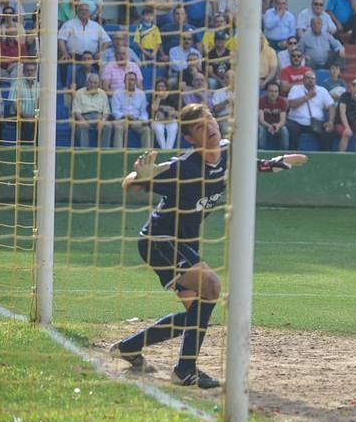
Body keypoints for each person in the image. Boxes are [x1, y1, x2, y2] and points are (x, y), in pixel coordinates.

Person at [109, 103, 306, 387]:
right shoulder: (183, 167)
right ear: (190, 138)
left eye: (210, 120)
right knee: (212, 287)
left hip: (184, 244)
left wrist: (272, 163)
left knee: (195, 314)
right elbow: (130, 185)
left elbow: (247, 164)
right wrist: (139, 175)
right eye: (200, 127)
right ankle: (185, 370)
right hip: (159, 241)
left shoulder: (227, 152)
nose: (210, 127)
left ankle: (129, 347)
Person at [285, 69, 336, 152]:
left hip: (316, 122)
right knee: (292, 129)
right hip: (297, 121)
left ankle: (324, 156)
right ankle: (293, 155)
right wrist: (307, 97)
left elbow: (331, 106)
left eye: (313, 78)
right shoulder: (295, 89)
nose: (311, 80)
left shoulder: (322, 90)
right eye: (308, 78)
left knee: (328, 132)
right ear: (303, 80)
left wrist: (330, 121)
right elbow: (292, 104)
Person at [110, 71, 152, 149]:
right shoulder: (117, 93)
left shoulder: (141, 93)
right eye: (128, 80)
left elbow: (143, 111)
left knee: (146, 129)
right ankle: (118, 152)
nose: (130, 82)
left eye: (132, 80)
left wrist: (143, 120)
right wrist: (125, 116)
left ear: (135, 81)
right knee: (118, 128)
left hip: (136, 120)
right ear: (124, 81)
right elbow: (115, 111)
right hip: (122, 119)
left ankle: (146, 153)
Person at [335, 78, 356, 152]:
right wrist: (347, 127)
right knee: (347, 133)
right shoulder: (345, 96)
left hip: (353, 122)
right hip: (341, 122)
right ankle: (341, 154)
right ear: (350, 87)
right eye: (353, 85)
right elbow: (342, 113)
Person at [150, 77, 180, 150]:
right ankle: (164, 150)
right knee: (159, 129)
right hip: (157, 121)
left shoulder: (173, 96)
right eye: (158, 86)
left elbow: (179, 112)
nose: (160, 88)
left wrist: (172, 113)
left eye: (162, 86)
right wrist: (159, 97)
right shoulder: (153, 96)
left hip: (170, 120)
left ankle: (168, 150)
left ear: (166, 87)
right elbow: (154, 109)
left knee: (173, 128)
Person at [258, 81, 289, 150]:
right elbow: (261, 120)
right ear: (267, 92)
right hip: (264, 125)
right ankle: (261, 151)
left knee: (284, 130)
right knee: (261, 129)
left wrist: (277, 126)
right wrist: (269, 126)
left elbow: (283, 120)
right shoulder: (261, 101)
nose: (273, 94)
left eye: (275, 91)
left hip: (277, 126)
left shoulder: (282, 102)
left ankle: (283, 152)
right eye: (271, 91)